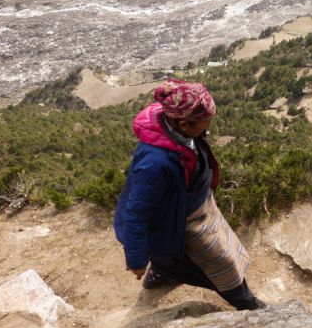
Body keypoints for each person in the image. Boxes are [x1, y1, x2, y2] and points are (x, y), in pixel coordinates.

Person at [113, 79, 265, 311]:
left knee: (175, 251)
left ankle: (162, 271)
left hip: (195, 205)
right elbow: (137, 213)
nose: (208, 128)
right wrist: (135, 260)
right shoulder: (155, 164)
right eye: (204, 124)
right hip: (183, 219)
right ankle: (248, 303)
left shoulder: (171, 120)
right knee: (221, 262)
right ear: (184, 124)